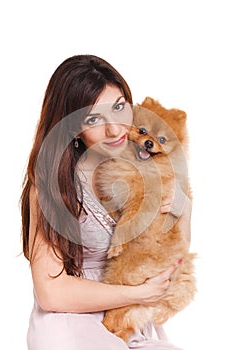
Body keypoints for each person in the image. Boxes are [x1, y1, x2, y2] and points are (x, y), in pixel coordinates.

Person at [21, 54, 191, 350]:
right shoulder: (53, 186)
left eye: (119, 108)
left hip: (132, 322)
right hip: (72, 322)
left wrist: (183, 208)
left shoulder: (150, 166)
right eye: (94, 119)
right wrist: (137, 294)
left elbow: (170, 251)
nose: (115, 130)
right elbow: (51, 293)